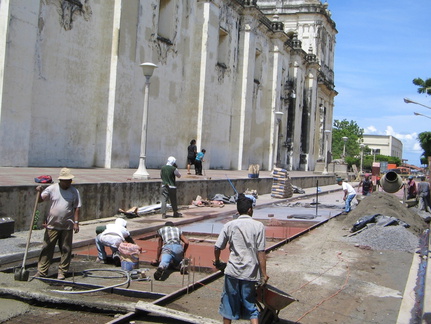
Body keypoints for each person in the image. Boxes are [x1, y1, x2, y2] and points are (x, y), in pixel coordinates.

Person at [213, 194, 269, 324]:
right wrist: (264, 274)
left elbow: (217, 247)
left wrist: (217, 261)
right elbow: (261, 252)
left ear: (238, 211)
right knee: (250, 306)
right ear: (250, 210)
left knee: (228, 305)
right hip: (250, 272)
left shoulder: (229, 225)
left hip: (232, 271)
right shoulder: (258, 226)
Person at [35, 168, 81, 280]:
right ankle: (42, 271)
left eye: (70, 180)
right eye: (67, 180)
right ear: (61, 180)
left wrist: (76, 223)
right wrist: (39, 191)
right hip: (52, 224)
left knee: (66, 249)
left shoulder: (74, 191)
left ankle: (62, 272)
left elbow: (77, 208)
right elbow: (40, 200)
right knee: (47, 248)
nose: (69, 182)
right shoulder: (52, 188)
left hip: (67, 225)